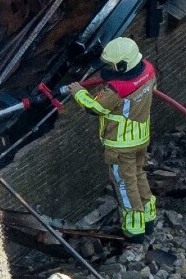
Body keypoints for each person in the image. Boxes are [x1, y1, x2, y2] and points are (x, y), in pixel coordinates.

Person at [54, 37, 157, 237]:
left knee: (125, 185)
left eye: (112, 65)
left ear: (123, 65)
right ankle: (148, 217)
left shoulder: (117, 90)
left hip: (121, 145)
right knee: (138, 176)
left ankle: (134, 230)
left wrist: (78, 92)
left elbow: (95, 108)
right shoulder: (148, 70)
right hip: (141, 138)